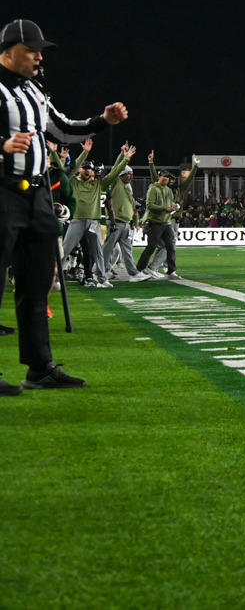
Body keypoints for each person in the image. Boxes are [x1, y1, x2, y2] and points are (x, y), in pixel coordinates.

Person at [0, 19, 128, 393]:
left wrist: (102, 121)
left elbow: (64, 129)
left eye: (41, 50)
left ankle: (39, 367)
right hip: (2, 191)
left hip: (38, 194)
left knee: (37, 282)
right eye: (31, 50)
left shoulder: (34, 91)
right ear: (7, 52)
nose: (39, 56)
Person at [63, 139, 132, 287]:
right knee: (65, 249)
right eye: (84, 168)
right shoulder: (73, 182)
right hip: (77, 221)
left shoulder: (99, 184)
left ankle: (102, 278)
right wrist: (85, 153)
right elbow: (69, 171)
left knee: (98, 252)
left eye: (90, 168)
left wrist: (124, 158)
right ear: (80, 170)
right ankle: (54, 277)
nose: (87, 170)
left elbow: (114, 173)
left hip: (93, 222)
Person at [103, 148, 142, 280]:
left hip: (126, 222)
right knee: (108, 248)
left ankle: (133, 273)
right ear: (121, 174)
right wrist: (122, 156)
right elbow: (115, 169)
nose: (130, 176)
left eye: (131, 174)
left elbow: (132, 204)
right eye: (127, 174)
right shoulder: (116, 181)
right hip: (116, 220)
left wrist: (135, 220)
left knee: (127, 250)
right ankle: (103, 271)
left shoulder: (128, 186)